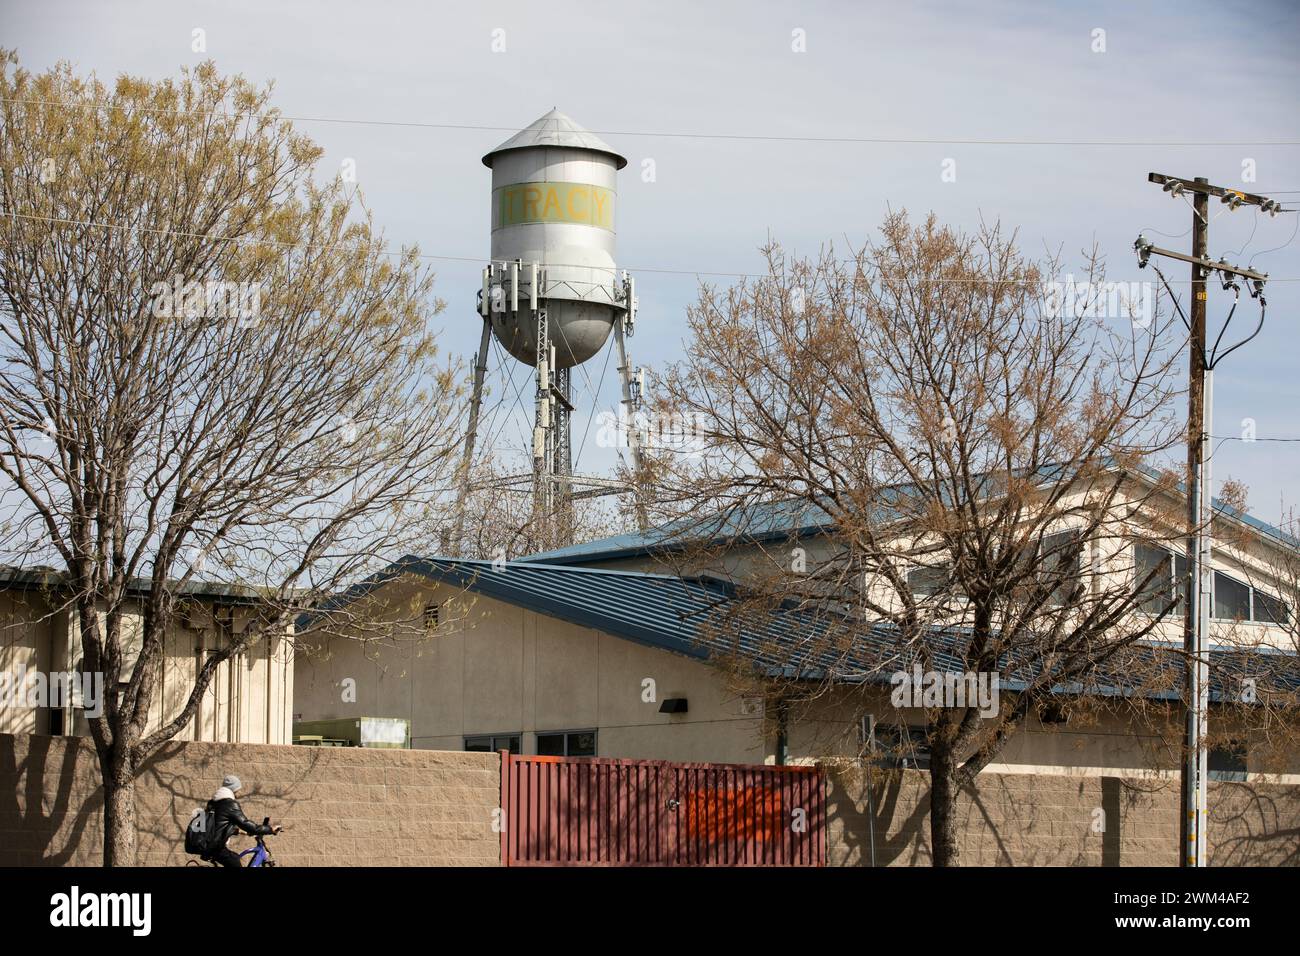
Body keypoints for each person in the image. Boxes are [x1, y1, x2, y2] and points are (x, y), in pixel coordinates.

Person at [203, 774, 282, 868]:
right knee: (235, 860)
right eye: (237, 790)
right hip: (216, 847)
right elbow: (247, 824)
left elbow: (218, 826)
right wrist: (270, 829)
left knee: (234, 858)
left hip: (209, 844)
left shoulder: (214, 802)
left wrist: (238, 831)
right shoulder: (230, 804)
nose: (238, 793)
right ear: (233, 789)